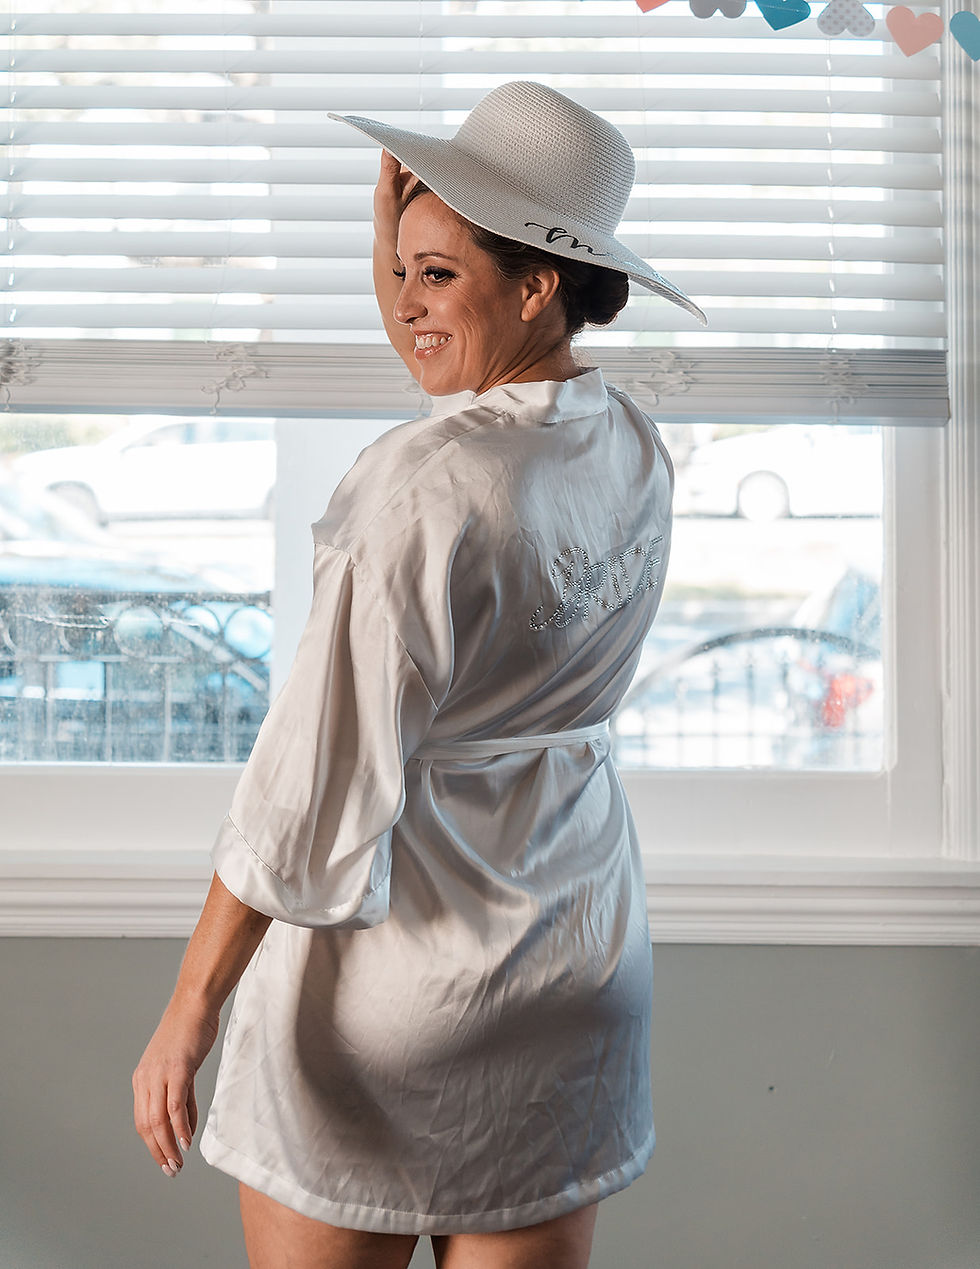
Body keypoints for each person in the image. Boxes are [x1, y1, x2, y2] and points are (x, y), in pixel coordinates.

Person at [133, 80, 706, 1269]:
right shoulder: (630, 447)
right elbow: (483, 407)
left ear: (536, 283)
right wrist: (424, 270)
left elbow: (307, 787)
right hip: (570, 962)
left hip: (392, 996)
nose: (404, 304)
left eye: (433, 278)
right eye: (400, 273)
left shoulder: (417, 484)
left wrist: (191, 1007)